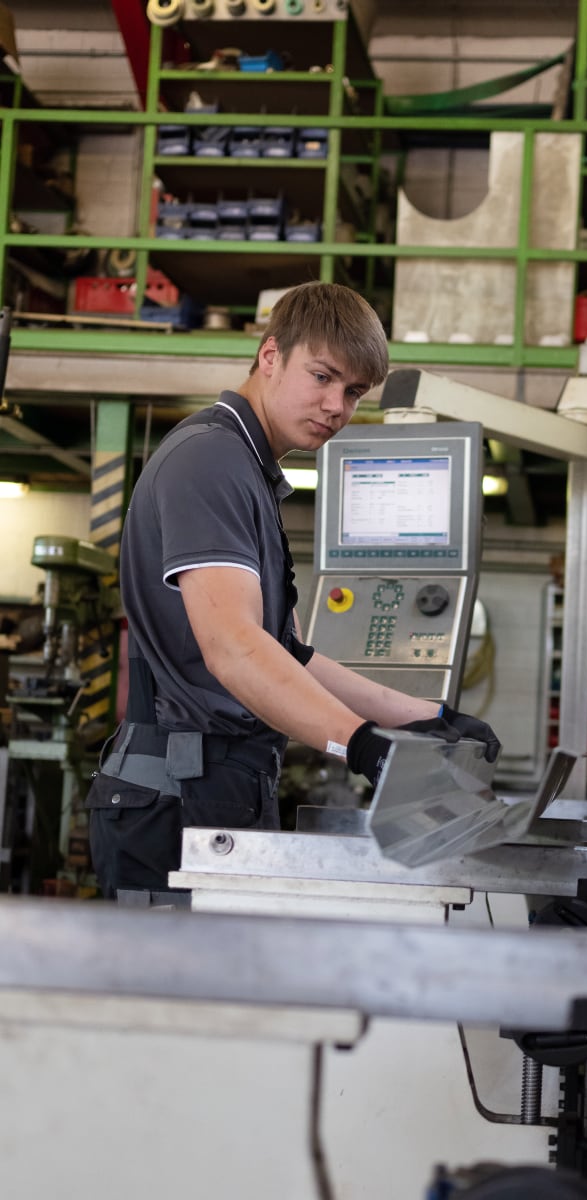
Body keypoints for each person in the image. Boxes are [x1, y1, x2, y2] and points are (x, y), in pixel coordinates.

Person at [87, 281, 500, 902]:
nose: (336, 405)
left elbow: (288, 654)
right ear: (270, 355)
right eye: (323, 376)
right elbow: (234, 649)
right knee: (187, 1000)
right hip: (176, 796)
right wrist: (362, 746)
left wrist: (424, 719)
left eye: (354, 392)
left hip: (215, 783)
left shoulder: (249, 471)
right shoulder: (210, 461)